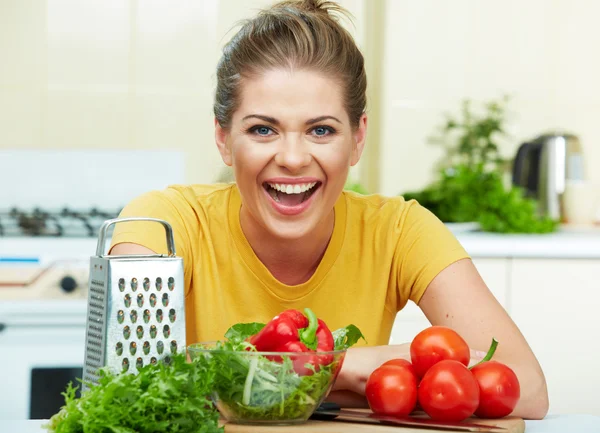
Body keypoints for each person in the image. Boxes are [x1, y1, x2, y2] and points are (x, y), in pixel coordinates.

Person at [109, 0, 548, 419]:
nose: (294, 158)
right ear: (223, 138)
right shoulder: (165, 222)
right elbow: (127, 380)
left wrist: (329, 367)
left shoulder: (399, 231)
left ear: (357, 138)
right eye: (263, 129)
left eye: (321, 130)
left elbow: (526, 388)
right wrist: (352, 369)